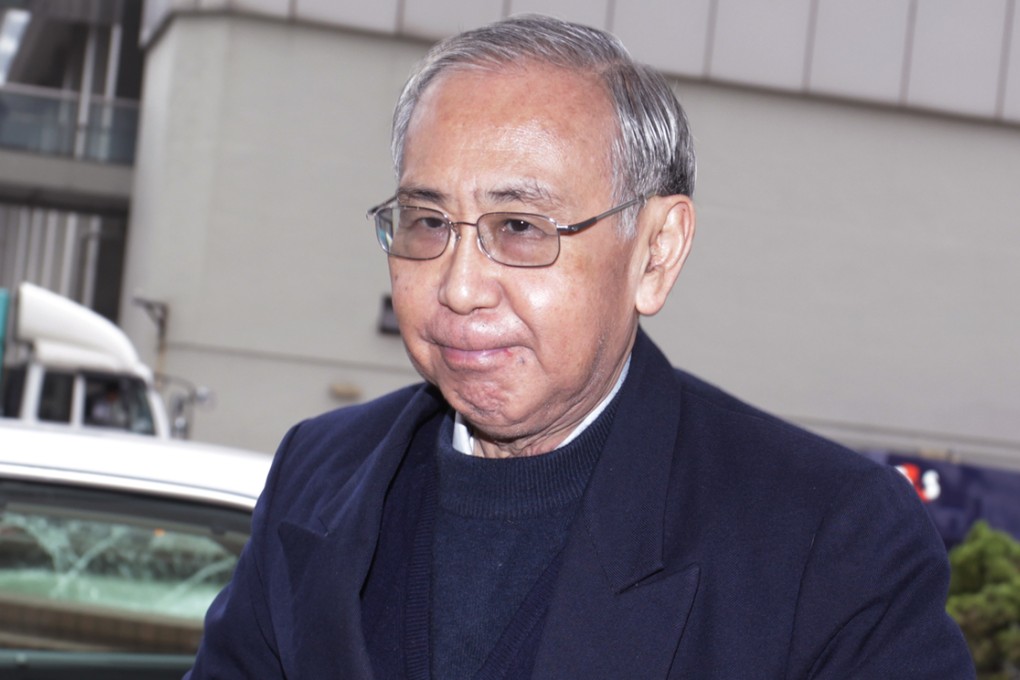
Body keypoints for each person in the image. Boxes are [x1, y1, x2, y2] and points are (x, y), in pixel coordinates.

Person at [186, 14, 974, 679]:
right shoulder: (319, 472)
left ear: (656, 252)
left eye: (521, 228)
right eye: (428, 223)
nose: (459, 286)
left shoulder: (829, 540)